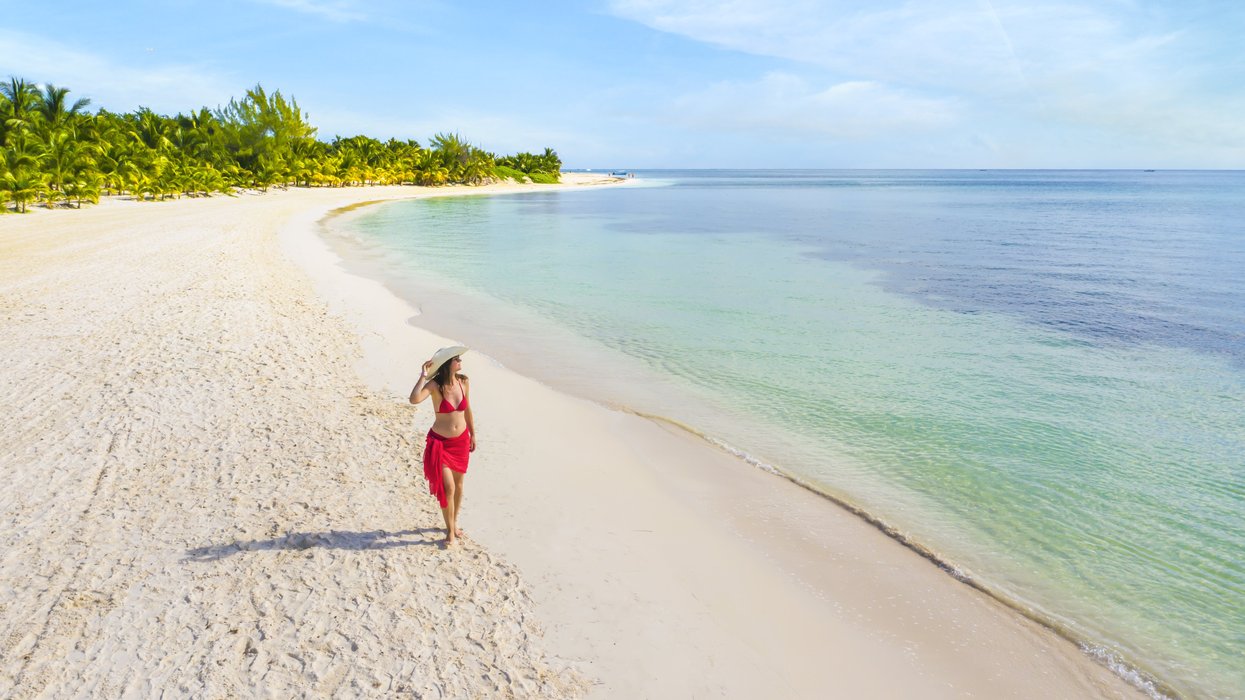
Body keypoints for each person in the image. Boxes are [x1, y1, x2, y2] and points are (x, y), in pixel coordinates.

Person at [409, 345, 476, 546]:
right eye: (457, 359)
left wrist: (473, 434)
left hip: (461, 441)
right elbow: (414, 399)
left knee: (459, 485)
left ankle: (453, 523)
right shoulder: (435, 386)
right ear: (448, 364)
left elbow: (468, 410)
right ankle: (450, 532)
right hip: (441, 443)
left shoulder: (464, 382)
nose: (460, 362)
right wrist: (423, 376)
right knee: (448, 488)